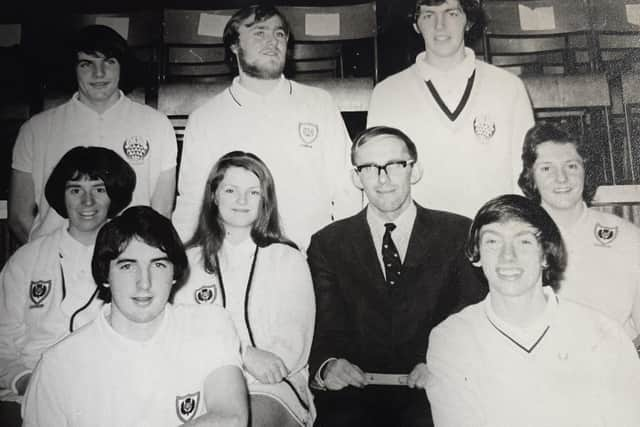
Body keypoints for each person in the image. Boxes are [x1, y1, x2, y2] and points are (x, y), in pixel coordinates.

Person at [307, 126, 487, 427]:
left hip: (436, 392)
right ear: (356, 178)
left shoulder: (458, 233)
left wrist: (446, 365)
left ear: (414, 171)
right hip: (353, 399)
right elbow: (323, 325)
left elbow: (471, 319)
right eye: (369, 168)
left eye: (394, 165)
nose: (383, 178)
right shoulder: (328, 243)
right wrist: (328, 366)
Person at [22, 206, 248, 427]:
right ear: (105, 276)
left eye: (158, 265)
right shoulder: (59, 365)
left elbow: (231, 418)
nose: (144, 283)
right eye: (127, 266)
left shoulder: (209, 325)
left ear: (174, 274)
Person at [426, 194, 640, 426]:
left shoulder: (603, 333)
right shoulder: (452, 339)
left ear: (546, 254)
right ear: (476, 255)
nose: (508, 257)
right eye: (493, 242)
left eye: (524, 242)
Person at [172, 3, 361, 251]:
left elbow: (347, 188)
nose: (272, 41)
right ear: (234, 45)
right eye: (259, 32)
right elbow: (192, 203)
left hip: (314, 256)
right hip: (236, 258)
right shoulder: (206, 119)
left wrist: (342, 250)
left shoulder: (318, 103)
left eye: (279, 33)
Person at [174, 151, 315, 427]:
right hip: (200, 379)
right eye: (230, 190)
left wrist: (242, 368)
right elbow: (179, 332)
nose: (241, 200)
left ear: (265, 200)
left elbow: (289, 350)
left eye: (253, 193)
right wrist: (243, 353)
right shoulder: (188, 260)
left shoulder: (288, 258)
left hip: (271, 387)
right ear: (213, 195)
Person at [0, 146, 135, 426]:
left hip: (110, 389)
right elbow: (3, 342)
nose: (87, 201)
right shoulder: (27, 260)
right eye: (75, 190)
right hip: (31, 386)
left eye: (99, 189)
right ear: (62, 196)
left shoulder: (132, 256)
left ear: (114, 195)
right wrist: (28, 382)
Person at [10, 24, 177, 244]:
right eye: (87, 64)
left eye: (109, 62)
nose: (99, 74)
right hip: (58, 259)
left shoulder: (156, 124)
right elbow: (19, 217)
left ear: (121, 67)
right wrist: (46, 257)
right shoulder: (36, 129)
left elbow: (161, 211)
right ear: (73, 69)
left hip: (128, 259)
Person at [367, 0, 534, 218]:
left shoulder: (508, 87)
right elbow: (377, 182)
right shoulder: (387, 94)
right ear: (416, 25)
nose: (440, 25)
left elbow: (525, 176)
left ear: (469, 21)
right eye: (428, 15)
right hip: (422, 240)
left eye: (451, 13)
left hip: (491, 234)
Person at [518, 122, 640, 347]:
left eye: (571, 166)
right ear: (531, 177)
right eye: (547, 168)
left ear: (586, 170)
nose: (561, 178)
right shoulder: (516, 241)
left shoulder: (628, 237)